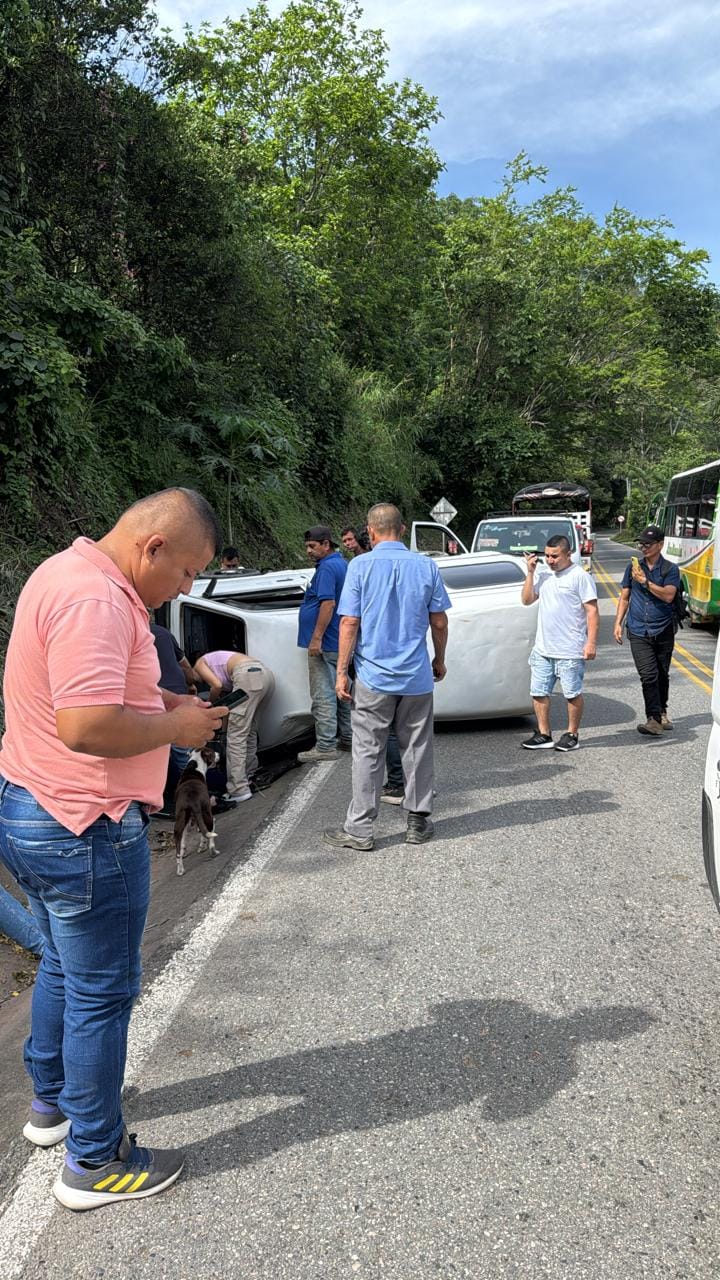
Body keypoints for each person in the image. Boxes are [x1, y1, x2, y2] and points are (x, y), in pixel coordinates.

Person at [0, 488, 228, 1211]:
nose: (187, 589)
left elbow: (107, 691)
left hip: (34, 807)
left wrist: (171, 707)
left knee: (66, 967)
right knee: (105, 992)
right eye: (188, 572)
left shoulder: (71, 573)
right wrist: (179, 733)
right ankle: (94, 1162)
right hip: (83, 823)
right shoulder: (97, 600)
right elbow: (88, 724)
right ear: (153, 547)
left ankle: (53, 1109)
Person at [323, 502, 451, 849]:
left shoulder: (359, 567)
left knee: (367, 751)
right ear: (404, 528)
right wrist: (439, 659)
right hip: (416, 677)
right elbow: (439, 621)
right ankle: (417, 822)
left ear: (370, 531)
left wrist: (340, 673)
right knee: (417, 747)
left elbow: (350, 622)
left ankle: (360, 830)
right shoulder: (426, 566)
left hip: (373, 679)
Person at [521, 534, 599, 752]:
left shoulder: (579, 577)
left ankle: (572, 733)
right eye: (547, 555)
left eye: (555, 556)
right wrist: (530, 572)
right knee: (538, 691)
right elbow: (527, 600)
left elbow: (592, 611)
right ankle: (544, 734)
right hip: (543, 648)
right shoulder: (544, 575)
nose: (550, 560)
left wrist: (591, 643)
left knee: (572, 694)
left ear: (568, 554)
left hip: (570, 649)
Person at [613, 524, 680, 736]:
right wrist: (617, 623)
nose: (643, 547)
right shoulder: (632, 567)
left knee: (662, 674)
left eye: (648, 544)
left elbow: (669, 595)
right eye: (641, 543)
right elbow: (625, 597)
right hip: (638, 629)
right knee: (648, 675)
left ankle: (661, 711)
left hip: (663, 629)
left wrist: (645, 581)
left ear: (660, 545)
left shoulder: (670, 569)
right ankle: (653, 719)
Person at [297, 524, 352, 761]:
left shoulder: (328, 568)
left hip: (326, 642)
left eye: (312, 546)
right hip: (337, 641)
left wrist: (315, 638)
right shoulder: (340, 564)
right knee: (341, 691)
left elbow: (327, 604)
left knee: (323, 695)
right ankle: (348, 738)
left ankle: (326, 746)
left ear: (326, 544)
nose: (308, 551)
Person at [193, 649, 275, 800]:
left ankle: (239, 789)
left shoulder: (199, 664)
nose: (201, 682)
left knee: (236, 735)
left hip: (247, 676)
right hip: (265, 675)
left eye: (199, 681)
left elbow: (216, 685)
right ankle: (249, 774)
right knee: (249, 730)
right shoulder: (220, 660)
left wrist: (210, 704)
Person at [150, 622, 199, 812]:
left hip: (150, 700)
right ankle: (199, 799)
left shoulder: (125, 630)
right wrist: (191, 685)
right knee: (184, 754)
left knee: (155, 752)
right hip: (175, 697)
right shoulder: (162, 632)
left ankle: (162, 800)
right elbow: (186, 667)